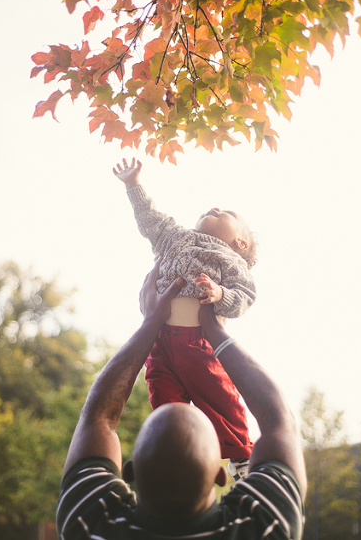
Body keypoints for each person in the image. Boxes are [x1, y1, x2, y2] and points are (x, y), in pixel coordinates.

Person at [56, 260, 305, 539]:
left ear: (130, 471)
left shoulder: (89, 524)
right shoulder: (265, 527)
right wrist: (215, 332)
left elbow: (97, 418)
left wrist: (150, 324)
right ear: (219, 476)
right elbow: (279, 421)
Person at [113, 158, 256, 478]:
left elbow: (244, 296)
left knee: (221, 398)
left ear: (240, 243)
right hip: (160, 343)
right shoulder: (174, 236)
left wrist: (220, 293)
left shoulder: (232, 261)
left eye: (229, 214)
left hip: (200, 344)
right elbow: (150, 218)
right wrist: (133, 184)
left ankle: (240, 457)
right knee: (163, 400)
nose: (216, 208)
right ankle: (166, 457)